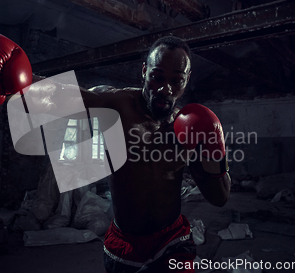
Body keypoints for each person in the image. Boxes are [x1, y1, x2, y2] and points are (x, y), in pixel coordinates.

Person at [30, 36, 231, 272]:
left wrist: (214, 152)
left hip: (173, 241)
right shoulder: (118, 105)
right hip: (124, 242)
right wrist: (17, 79)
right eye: (157, 77)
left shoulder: (190, 126)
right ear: (144, 71)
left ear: (186, 81)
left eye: (176, 81)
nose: (165, 89)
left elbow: (220, 198)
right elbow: (65, 96)